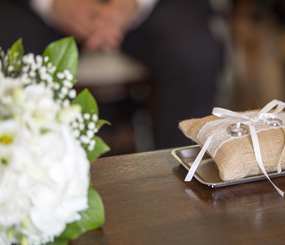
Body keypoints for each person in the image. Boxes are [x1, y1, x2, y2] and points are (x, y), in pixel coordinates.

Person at [0, 0, 224, 149]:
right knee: (13, 63)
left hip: (155, 7)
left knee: (195, 53)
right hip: (31, 10)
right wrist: (53, 4)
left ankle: (181, 178)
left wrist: (132, 3)